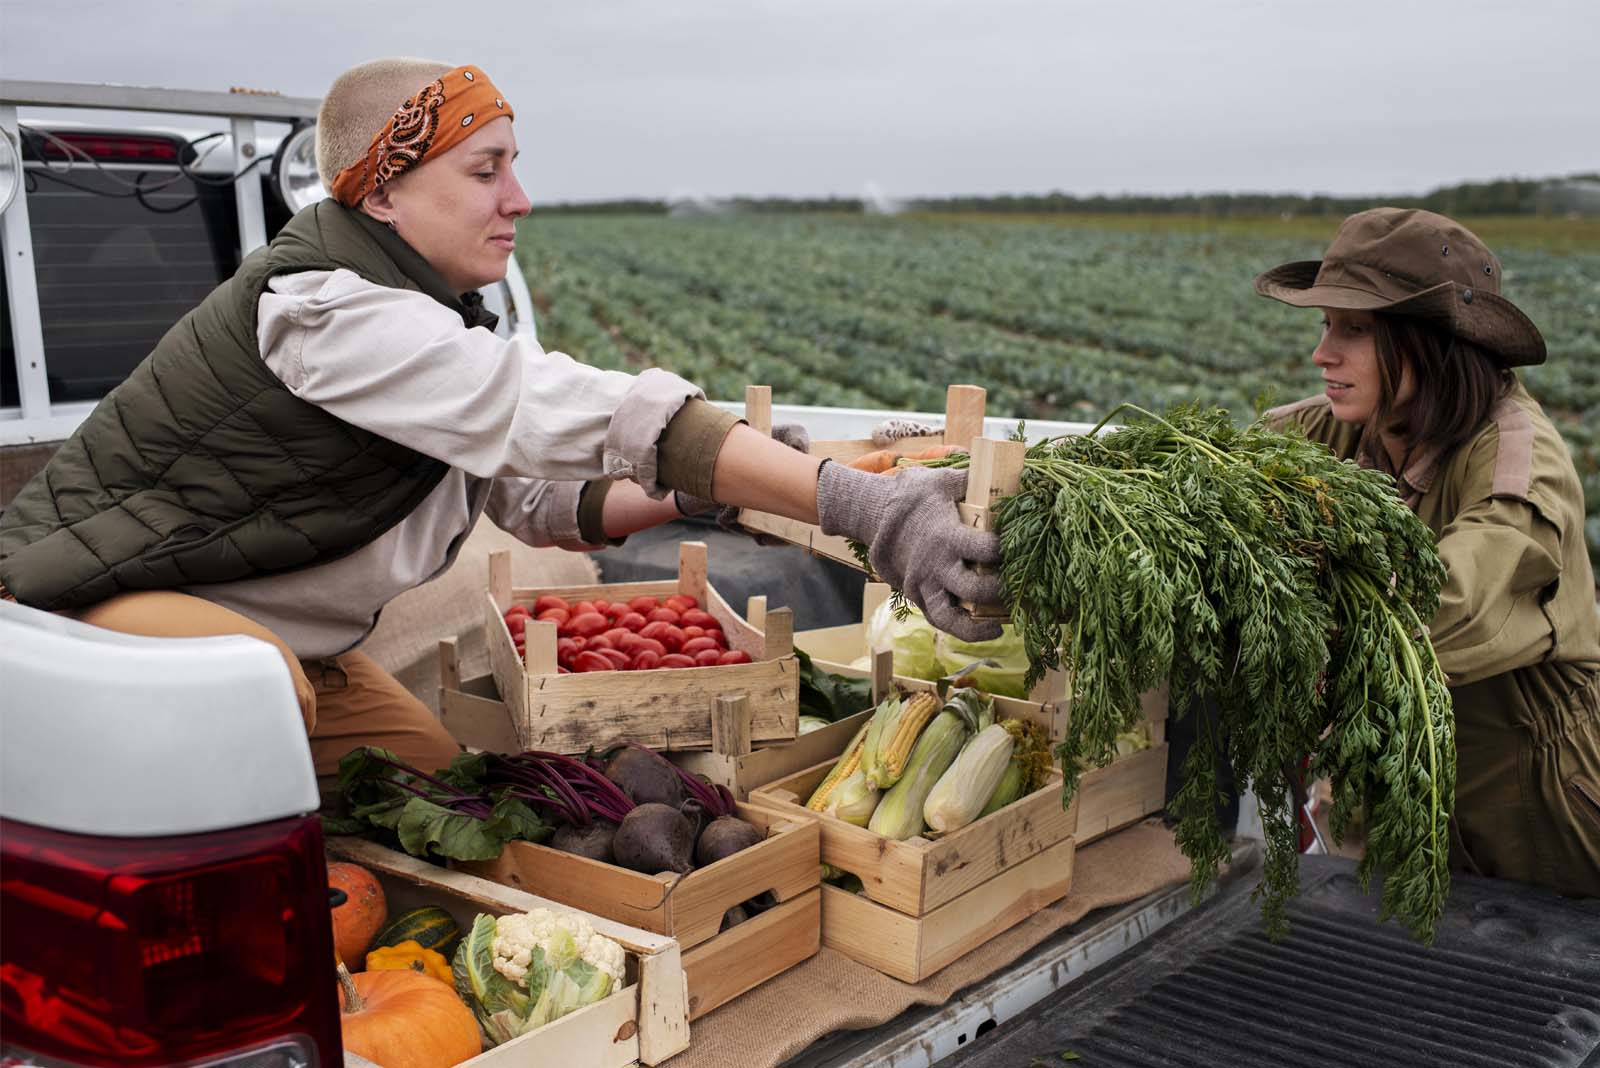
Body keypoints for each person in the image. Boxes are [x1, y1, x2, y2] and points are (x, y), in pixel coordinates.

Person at [0, 58, 1002, 784]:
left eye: (514, 165)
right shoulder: (325, 315)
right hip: (91, 623)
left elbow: (524, 496)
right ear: (384, 191)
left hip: (289, 647)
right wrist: (865, 509)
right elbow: (544, 403)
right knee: (249, 702)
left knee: (439, 791)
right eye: (485, 171)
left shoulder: (418, 315)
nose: (518, 199)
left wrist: (698, 492)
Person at [1257, 207, 1600, 895]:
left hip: (1535, 812)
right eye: (1325, 324)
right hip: (1393, 792)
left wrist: (1271, 613)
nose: (1323, 353)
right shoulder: (1336, 431)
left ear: (1431, 343)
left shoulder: (1517, 462)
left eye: (1354, 329)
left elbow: (1448, 607)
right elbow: (1203, 489)